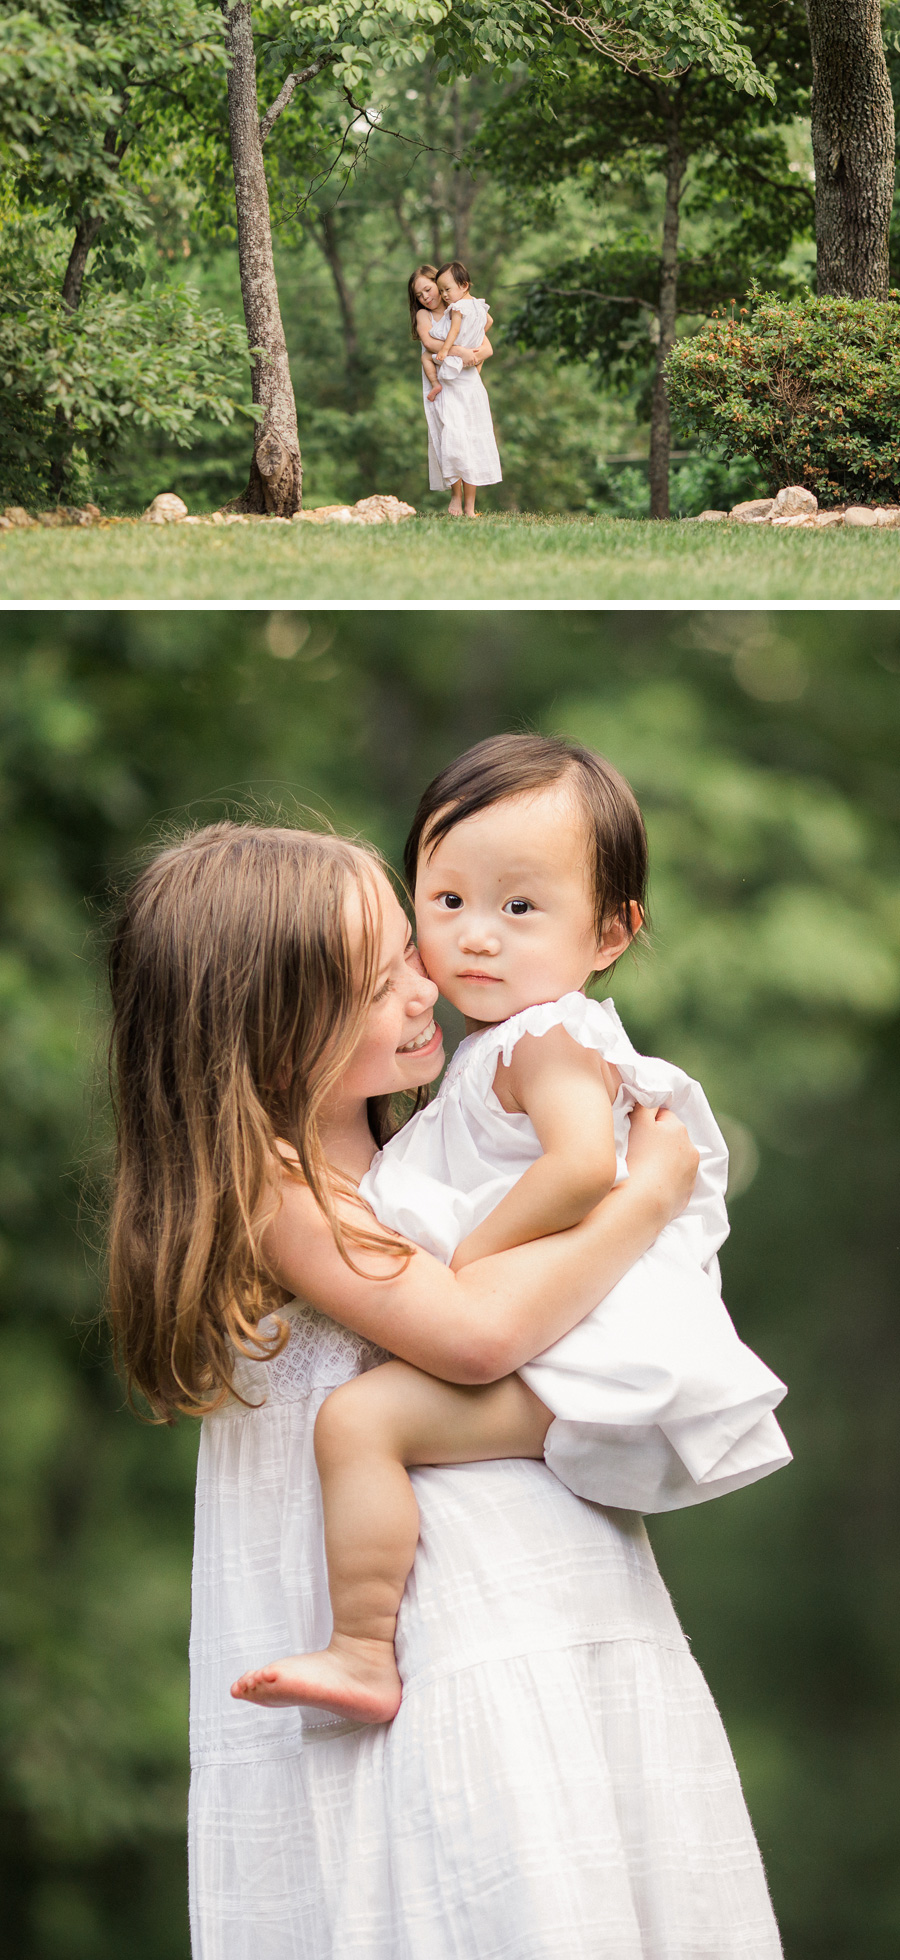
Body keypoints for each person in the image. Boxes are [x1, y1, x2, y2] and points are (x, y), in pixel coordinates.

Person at [107, 820, 783, 1960]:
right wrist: (646, 1196)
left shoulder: (416, 1162)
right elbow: (473, 1336)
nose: (431, 985)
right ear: (274, 1035)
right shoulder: (282, 1189)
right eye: (381, 985)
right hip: (438, 1633)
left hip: (539, 1598)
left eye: (407, 955)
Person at [233, 736, 791, 1725]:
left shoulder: (548, 1038)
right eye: (446, 906)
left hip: (594, 1354)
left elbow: (579, 1169)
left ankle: (363, 1647)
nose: (476, 937)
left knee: (363, 1419)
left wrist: (478, 1255)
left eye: (519, 908)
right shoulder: (486, 1059)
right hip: (574, 1355)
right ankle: (362, 1647)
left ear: (611, 933)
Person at [408, 260, 502, 516]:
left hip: (467, 385)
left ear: (440, 285)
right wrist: (459, 350)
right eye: (419, 295)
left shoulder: (461, 310)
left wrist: (473, 355)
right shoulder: (424, 315)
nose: (425, 297)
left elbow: (487, 346)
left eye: (428, 289)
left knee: (470, 437)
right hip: (444, 387)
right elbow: (429, 342)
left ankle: (470, 505)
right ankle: (455, 497)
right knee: (453, 438)